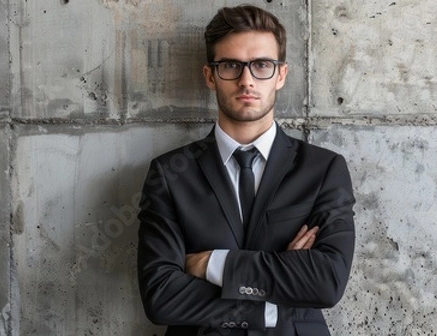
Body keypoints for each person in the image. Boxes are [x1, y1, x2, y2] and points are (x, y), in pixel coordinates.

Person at [137, 5, 355, 336]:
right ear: (210, 76)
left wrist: (212, 264)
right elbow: (161, 296)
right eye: (230, 66)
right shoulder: (170, 174)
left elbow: (327, 282)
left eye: (262, 65)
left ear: (281, 75)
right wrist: (275, 297)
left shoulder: (323, 169)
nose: (246, 80)